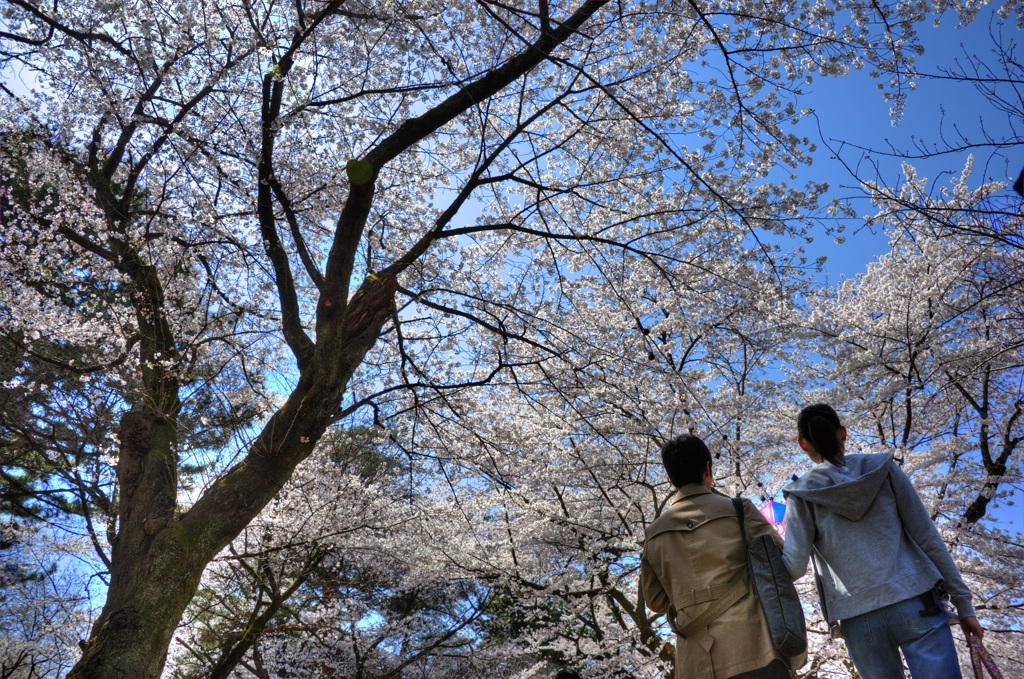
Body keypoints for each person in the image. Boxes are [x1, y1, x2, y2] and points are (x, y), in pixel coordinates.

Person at [782, 403, 984, 679]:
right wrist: (963, 603)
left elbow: (793, 567)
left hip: (857, 617)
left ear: (803, 444)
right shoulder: (884, 469)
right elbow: (927, 536)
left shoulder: (801, 494)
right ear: (843, 433)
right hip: (915, 599)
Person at [641, 434, 799, 679]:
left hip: (695, 661)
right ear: (707, 468)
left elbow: (656, 602)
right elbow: (782, 563)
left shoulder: (653, 534)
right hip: (753, 647)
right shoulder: (739, 510)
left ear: (671, 478)